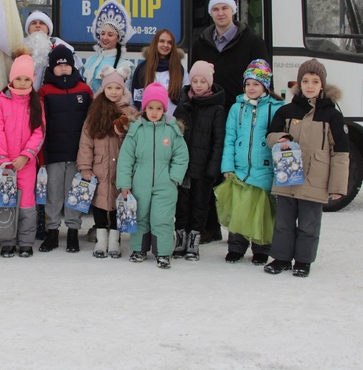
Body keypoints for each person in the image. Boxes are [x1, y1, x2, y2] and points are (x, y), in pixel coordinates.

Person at [190, 0, 270, 244]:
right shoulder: (201, 41)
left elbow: (263, 76)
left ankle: (240, 227)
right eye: (215, 9)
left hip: (240, 115)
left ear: (233, 11)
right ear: (210, 12)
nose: (220, 13)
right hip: (209, 113)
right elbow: (195, 79)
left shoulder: (252, 40)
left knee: (234, 171)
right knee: (208, 170)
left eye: (225, 8)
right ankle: (210, 226)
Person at [264, 59, 349, 277]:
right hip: (288, 175)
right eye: (305, 81)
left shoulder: (332, 115)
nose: (309, 85)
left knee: (309, 224)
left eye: (315, 81)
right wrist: (279, 138)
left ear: (322, 85)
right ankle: (281, 257)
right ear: (299, 84)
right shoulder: (287, 110)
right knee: (283, 221)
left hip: (315, 179)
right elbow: (271, 135)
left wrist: (337, 185)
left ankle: (303, 261)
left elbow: (340, 152)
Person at [218, 59, 284, 265]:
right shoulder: (237, 108)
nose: (251, 88)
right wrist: (227, 166)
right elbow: (229, 138)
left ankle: (262, 248)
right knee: (240, 210)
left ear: (265, 85)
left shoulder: (275, 108)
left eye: (256, 84)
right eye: (248, 84)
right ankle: (236, 247)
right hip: (240, 169)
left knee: (261, 213)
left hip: (264, 169)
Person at [116, 82, 188, 269]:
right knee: (140, 216)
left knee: (162, 218)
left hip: (165, 183)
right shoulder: (137, 129)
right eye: (150, 108)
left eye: (158, 108)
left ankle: (163, 252)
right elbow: (126, 158)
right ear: (144, 108)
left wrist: (174, 178)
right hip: (140, 181)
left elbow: (181, 155)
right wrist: (125, 183)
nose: (154, 112)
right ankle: (139, 249)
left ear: (164, 109)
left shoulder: (171, 129)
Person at [77, 66, 138, 258]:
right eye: (109, 88)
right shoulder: (95, 112)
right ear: (103, 89)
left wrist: (125, 130)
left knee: (117, 204)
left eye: (118, 88)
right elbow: (86, 142)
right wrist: (85, 167)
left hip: (121, 168)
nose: (113, 92)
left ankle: (115, 240)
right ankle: (101, 239)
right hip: (100, 167)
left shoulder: (130, 112)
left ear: (124, 90)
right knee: (101, 204)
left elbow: (136, 141)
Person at [38, 45, 93, 253]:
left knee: (74, 193)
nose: (63, 69)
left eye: (66, 65)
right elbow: (39, 124)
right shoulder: (44, 92)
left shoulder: (84, 89)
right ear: (52, 68)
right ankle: (52, 231)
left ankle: (72, 231)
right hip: (53, 154)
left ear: (72, 66)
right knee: (53, 194)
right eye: (58, 65)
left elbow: (91, 122)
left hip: (77, 154)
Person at [0, 50, 46, 258]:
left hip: (26, 163)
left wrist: (26, 155)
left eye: (26, 79)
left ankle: (25, 242)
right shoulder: (2, 101)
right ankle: (7, 241)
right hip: (5, 164)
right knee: (7, 202)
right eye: (18, 79)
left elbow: (39, 132)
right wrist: (3, 160)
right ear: (11, 79)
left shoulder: (36, 102)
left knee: (26, 205)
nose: (22, 83)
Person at [172, 61, 226, 260]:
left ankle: (194, 241)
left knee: (199, 205)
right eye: (195, 80)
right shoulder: (184, 105)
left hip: (203, 170)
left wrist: (214, 168)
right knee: (182, 205)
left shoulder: (217, 109)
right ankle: (180, 240)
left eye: (203, 81)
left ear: (209, 83)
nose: (198, 84)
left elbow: (218, 141)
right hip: (183, 168)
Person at [81, 0, 134, 94]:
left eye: (110, 35)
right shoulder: (90, 60)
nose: (104, 38)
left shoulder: (125, 65)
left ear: (118, 38)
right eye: (102, 33)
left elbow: (123, 96)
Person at [131, 29, 186, 116]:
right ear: (155, 43)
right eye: (162, 41)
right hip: (146, 122)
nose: (165, 45)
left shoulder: (179, 70)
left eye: (169, 43)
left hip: (170, 122)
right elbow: (134, 97)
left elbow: (185, 97)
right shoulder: (142, 68)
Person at [23, 10, 83, 91]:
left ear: (48, 29)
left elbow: (72, 74)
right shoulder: (21, 47)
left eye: (42, 23)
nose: (38, 26)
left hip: (52, 95)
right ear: (28, 29)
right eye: (33, 23)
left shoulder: (61, 46)